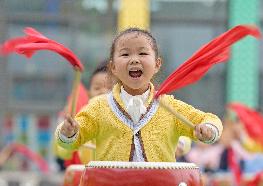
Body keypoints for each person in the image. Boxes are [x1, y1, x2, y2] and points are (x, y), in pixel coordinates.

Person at [55, 27, 223, 162]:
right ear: (113, 67)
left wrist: (208, 130)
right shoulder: (98, 107)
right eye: (125, 54)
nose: (134, 60)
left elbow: (209, 120)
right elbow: (71, 142)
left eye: (142, 53)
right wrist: (68, 133)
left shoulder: (170, 106)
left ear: (157, 64)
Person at [54, 59, 113, 170]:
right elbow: (63, 153)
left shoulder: (126, 120)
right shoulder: (82, 119)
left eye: (109, 88)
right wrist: (67, 135)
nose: (102, 92)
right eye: (97, 88)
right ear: (89, 92)